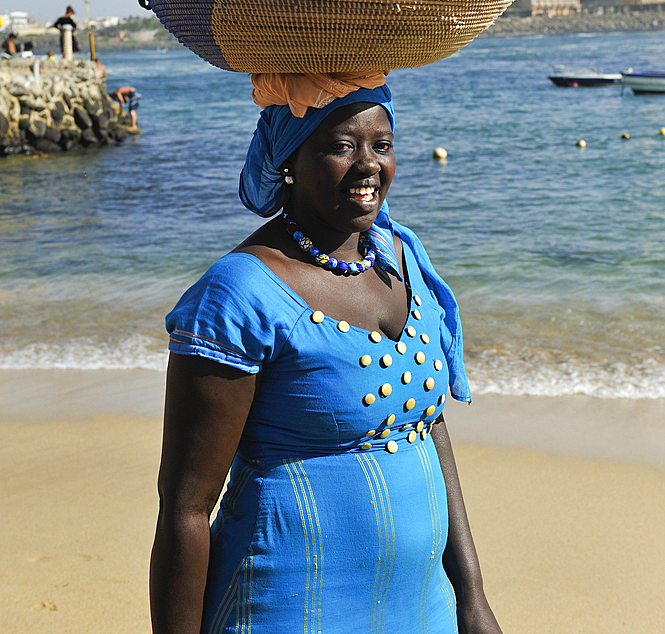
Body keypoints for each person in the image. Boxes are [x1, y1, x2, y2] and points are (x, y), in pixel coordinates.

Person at [150, 83, 503, 634]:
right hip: (284, 611)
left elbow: (429, 426)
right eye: (341, 146)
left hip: (422, 610)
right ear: (289, 160)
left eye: (381, 145)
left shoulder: (403, 256)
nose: (368, 165)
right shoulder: (239, 292)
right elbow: (185, 510)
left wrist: (473, 598)